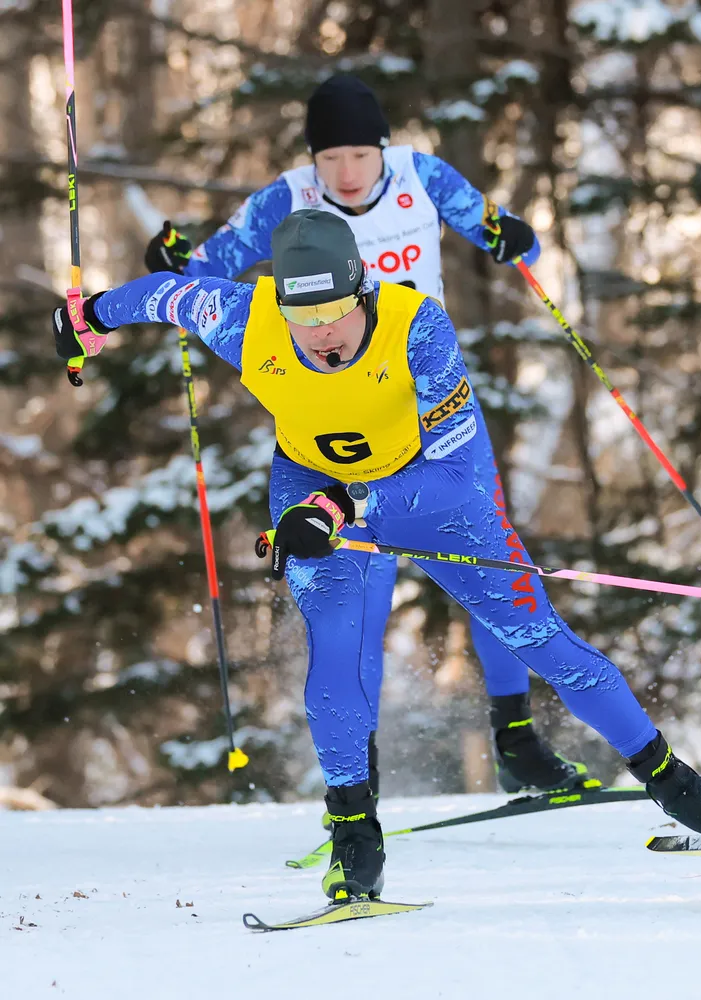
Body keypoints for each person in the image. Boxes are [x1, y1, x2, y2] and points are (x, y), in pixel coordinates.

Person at [53, 209, 701, 902]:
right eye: (303, 319)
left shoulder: (416, 325)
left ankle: (676, 785)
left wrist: (348, 507)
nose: (321, 334)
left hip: (426, 489)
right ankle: (354, 832)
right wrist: (87, 319)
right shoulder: (241, 315)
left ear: (361, 289)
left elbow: (457, 479)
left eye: (333, 311)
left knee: (537, 639)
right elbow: (160, 295)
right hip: (310, 486)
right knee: (335, 647)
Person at [142, 73, 579, 800]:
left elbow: (487, 223)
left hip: (428, 409)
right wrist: (171, 256)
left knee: (492, 566)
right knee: (356, 595)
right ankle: (358, 787)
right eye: (329, 159)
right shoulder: (285, 198)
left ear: (382, 149)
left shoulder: (422, 174)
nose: (344, 174)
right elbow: (207, 269)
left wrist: (512, 235)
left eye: (358, 156)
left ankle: (517, 741)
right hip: (333, 420)